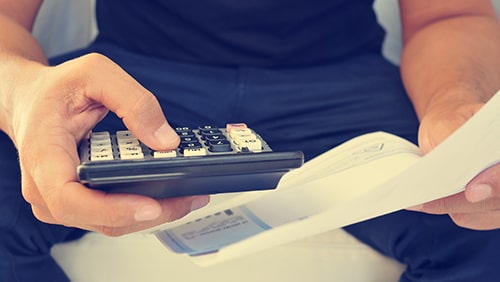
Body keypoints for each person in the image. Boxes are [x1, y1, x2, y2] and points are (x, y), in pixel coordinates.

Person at [1, 0, 500, 281]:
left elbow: (449, 13)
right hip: (130, 81)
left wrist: (456, 103)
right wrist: (23, 95)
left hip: (342, 84)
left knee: (484, 212)